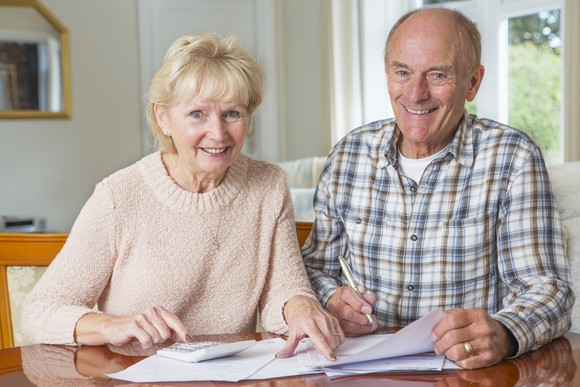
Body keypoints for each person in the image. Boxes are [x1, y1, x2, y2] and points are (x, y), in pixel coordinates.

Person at [22, 33, 343, 361]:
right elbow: (39, 311)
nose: (218, 133)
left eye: (232, 113)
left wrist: (301, 304)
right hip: (138, 378)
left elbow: (283, 293)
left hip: (230, 376)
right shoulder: (119, 196)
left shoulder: (268, 185)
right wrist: (112, 325)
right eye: (197, 114)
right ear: (163, 118)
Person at [302, 7, 574, 369]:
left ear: (473, 83)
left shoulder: (513, 157)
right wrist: (331, 297)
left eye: (438, 74)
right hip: (360, 368)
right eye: (402, 72)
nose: (416, 94)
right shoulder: (349, 154)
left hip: (466, 372)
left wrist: (504, 332)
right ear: (387, 75)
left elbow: (547, 290)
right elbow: (313, 267)